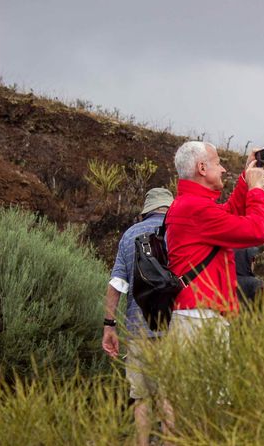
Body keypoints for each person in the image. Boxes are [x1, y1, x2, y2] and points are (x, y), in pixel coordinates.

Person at [165, 141, 264, 339]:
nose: (223, 169)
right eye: (218, 163)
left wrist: (246, 176)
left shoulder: (191, 205)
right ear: (202, 168)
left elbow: (229, 212)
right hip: (199, 317)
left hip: (197, 313)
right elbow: (258, 231)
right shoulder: (196, 209)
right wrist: (256, 188)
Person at [101, 187, 174, 446]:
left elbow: (116, 284)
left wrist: (109, 325)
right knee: (168, 395)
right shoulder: (178, 230)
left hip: (137, 330)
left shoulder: (130, 235)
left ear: (147, 209)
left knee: (141, 397)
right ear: (169, 206)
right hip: (172, 327)